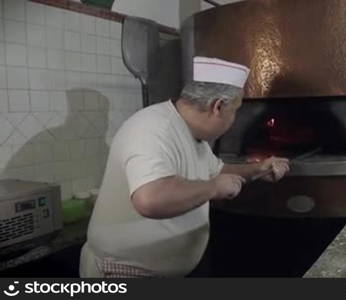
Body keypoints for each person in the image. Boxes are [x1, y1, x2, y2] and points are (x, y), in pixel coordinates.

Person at [79, 57, 290, 277]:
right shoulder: (152, 128)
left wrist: (257, 170)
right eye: (235, 110)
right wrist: (214, 188)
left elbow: (217, 172)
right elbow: (150, 199)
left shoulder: (192, 133)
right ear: (217, 106)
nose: (233, 120)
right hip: (126, 272)